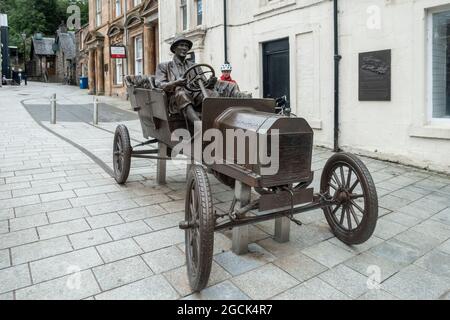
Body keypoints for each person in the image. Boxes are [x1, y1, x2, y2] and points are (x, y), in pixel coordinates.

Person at [155, 36, 218, 124]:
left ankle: (216, 121)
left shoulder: (194, 66)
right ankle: (198, 126)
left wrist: (210, 83)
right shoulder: (164, 66)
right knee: (181, 93)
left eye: (186, 46)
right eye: (181, 45)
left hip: (194, 95)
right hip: (176, 98)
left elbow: (204, 84)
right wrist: (175, 83)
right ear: (174, 48)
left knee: (212, 93)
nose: (185, 48)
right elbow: (160, 84)